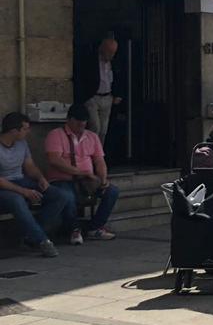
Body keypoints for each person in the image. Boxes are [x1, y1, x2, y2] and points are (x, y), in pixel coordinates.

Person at [44, 103, 120, 244]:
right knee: (67, 195)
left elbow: (99, 160)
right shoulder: (56, 135)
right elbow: (54, 160)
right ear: (69, 119)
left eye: (84, 122)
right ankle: (74, 229)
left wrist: (102, 179)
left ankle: (95, 227)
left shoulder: (92, 137)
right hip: (63, 178)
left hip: (87, 180)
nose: (81, 125)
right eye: (78, 122)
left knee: (112, 191)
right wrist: (79, 172)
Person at [0, 112, 73, 257]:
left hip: (21, 179)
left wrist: (40, 178)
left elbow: (29, 166)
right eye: (25, 129)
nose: (28, 132)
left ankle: (31, 234)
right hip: (4, 185)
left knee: (60, 196)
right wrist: (23, 191)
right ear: (14, 131)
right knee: (17, 200)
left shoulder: (22, 143)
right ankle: (42, 240)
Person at [79, 33, 123, 144]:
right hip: (93, 97)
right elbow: (82, 78)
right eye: (109, 52)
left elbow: (119, 78)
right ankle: (88, 154)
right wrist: (85, 96)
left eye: (113, 52)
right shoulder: (90, 61)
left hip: (107, 97)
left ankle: (97, 156)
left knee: (103, 130)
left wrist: (118, 94)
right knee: (95, 127)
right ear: (102, 49)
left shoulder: (115, 62)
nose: (111, 55)